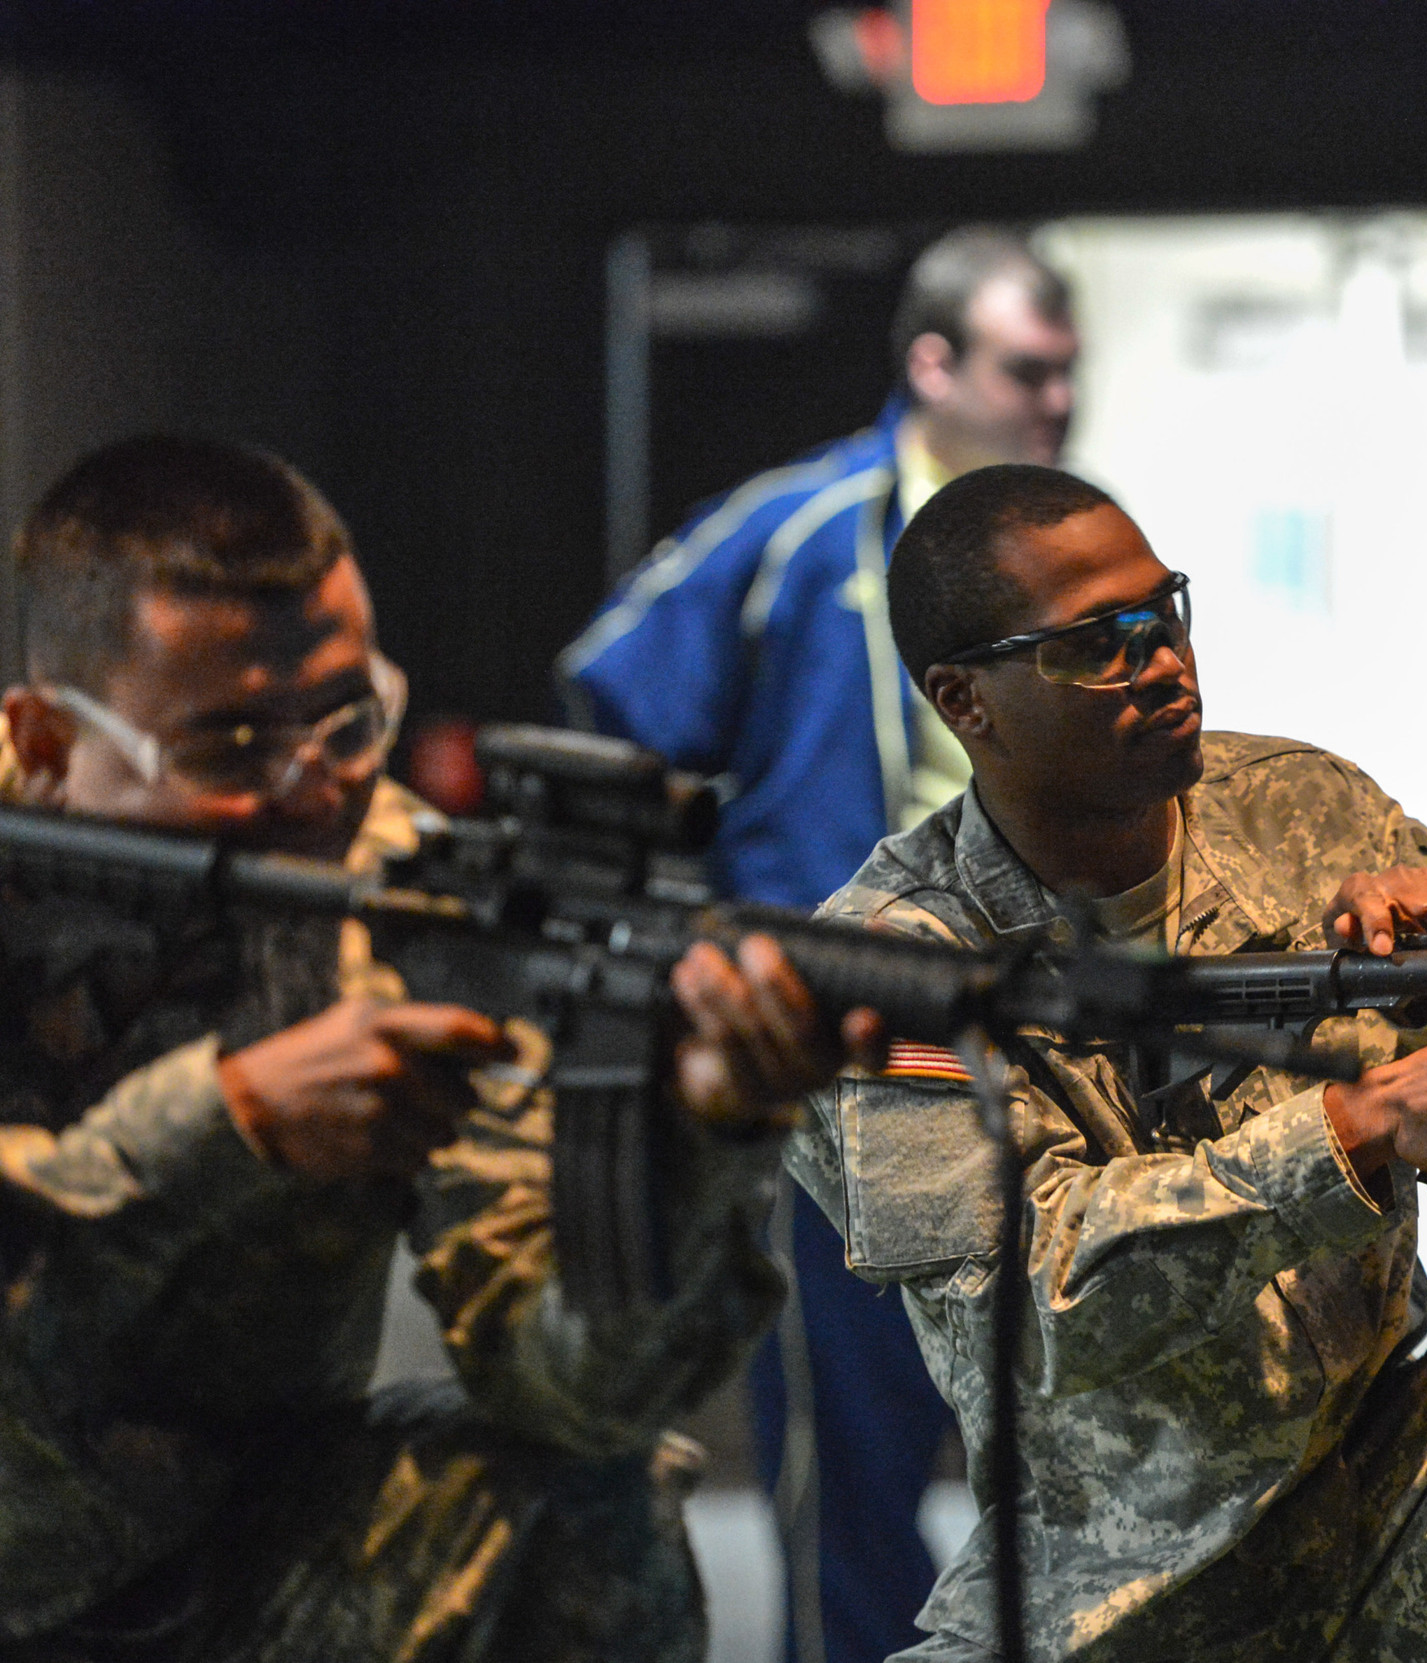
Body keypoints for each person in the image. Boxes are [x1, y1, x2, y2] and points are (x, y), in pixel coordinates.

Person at [792, 464, 1427, 1662]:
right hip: (1119, 1603)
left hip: (1391, 1507)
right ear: (963, 700)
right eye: (1095, 647)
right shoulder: (895, 964)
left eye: (1163, 613)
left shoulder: (1304, 807)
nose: (1162, 661)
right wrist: (1354, 1130)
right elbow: (1020, 1315)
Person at [0, 435, 852, 1660]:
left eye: (349, 722)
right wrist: (225, 1126)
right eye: (231, 747)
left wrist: (691, 1147)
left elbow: (569, 1387)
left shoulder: (401, 905)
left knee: (582, 1501)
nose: (313, 791)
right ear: (42, 745)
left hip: (219, 1558)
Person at [559, 227, 1081, 1660]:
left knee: (1037, 1430)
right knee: (844, 1431)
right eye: (1026, 374)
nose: (1053, 407)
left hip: (1015, 1027)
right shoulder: (799, 529)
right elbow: (613, 688)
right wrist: (701, 928)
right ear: (934, 364)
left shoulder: (1048, 558)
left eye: (1064, 380)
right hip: (835, 1034)